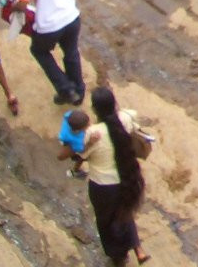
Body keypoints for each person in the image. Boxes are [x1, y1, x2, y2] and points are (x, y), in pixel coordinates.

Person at [80, 86, 151, 265]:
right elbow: (132, 118)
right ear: (114, 104)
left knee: (106, 222)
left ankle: (118, 256)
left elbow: (81, 154)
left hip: (102, 186)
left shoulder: (93, 133)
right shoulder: (125, 119)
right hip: (126, 177)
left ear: (95, 109)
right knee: (124, 212)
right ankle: (137, 248)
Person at [58, 108, 91, 178]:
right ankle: (75, 171)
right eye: (87, 125)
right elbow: (82, 150)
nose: (89, 124)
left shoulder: (68, 116)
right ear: (80, 129)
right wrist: (90, 142)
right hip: (71, 144)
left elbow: (69, 114)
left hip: (63, 137)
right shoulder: (77, 141)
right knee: (81, 157)